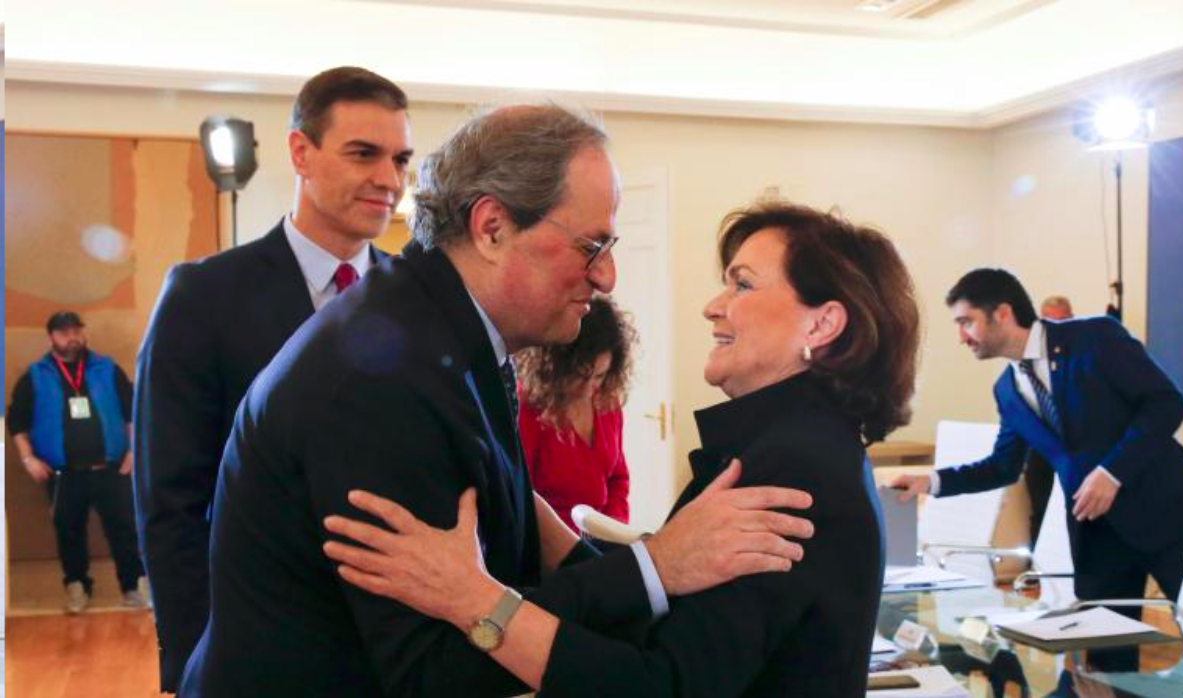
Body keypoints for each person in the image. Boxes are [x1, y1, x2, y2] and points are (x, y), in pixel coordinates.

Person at [178, 104, 815, 697]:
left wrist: (644, 574)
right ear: (491, 227)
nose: (607, 277)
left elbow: (505, 537)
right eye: (591, 246)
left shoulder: (444, 330)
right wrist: (654, 567)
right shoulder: (384, 388)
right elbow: (431, 668)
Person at [324, 200, 922, 696]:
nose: (714, 305)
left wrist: (476, 600)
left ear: (822, 326)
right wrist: (555, 535)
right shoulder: (799, 446)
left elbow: (660, 684)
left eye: (742, 284)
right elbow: (679, 622)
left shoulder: (788, 472)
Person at [132, 66, 412, 691]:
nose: (389, 179)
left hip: (397, 648)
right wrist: (192, 661)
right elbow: (170, 503)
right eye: (364, 153)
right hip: (254, 651)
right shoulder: (203, 296)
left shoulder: (420, 299)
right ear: (300, 153)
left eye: (400, 158)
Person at [892, 269, 1183, 612]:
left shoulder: (1095, 337)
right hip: (1095, 535)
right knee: (1104, 657)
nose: (962, 337)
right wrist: (931, 481)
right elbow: (1002, 467)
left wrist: (1112, 472)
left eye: (967, 322)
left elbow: (1166, 404)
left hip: (1166, 511)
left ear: (1003, 313)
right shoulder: (1007, 390)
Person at [7, 311, 148, 614]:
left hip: (110, 469)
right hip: (63, 474)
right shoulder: (35, 375)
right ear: (52, 337)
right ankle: (77, 587)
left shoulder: (106, 368)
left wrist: (133, 453)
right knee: (68, 531)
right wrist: (28, 458)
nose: (71, 337)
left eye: (75, 331)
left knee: (124, 528)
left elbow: (131, 412)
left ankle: (133, 586)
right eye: (63, 332)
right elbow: (16, 421)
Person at [516, 295, 636, 529]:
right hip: (550, 548)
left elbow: (618, 479)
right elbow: (522, 497)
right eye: (581, 375)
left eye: (600, 375)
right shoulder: (529, 405)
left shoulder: (606, 401)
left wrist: (611, 531)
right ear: (556, 366)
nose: (590, 387)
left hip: (601, 541)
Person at [1021, 294, 1075, 545]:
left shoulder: (1083, 356)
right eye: (1049, 321)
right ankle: (1036, 570)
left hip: (1075, 446)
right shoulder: (1027, 359)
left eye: (1063, 320)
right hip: (1041, 446)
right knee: (1040, 507)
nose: (1057, 327)